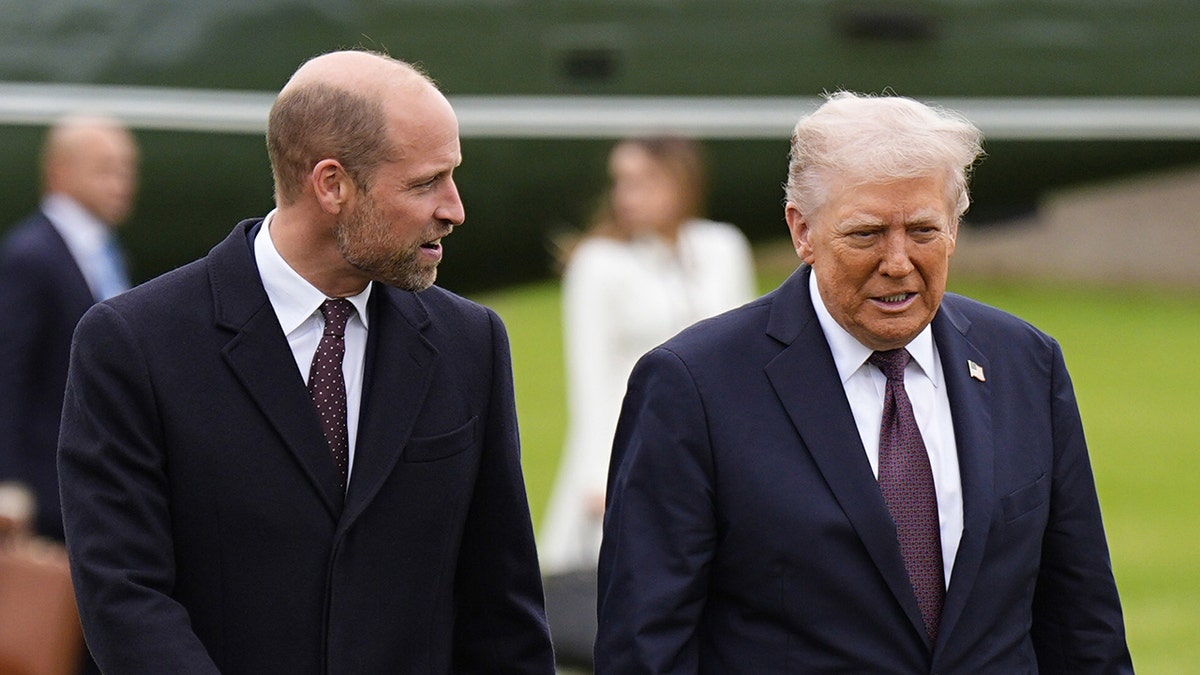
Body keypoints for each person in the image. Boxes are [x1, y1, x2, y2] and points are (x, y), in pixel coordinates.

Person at [595, 92, 1133, 673]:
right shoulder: (693, 386)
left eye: (924, 230)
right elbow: (644, 647)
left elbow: (1083, 625)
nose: (899, 261)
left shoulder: (1025, 363)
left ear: (954, 227)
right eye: (867, 234)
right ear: (803, 231)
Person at [57, 50, 555, 674]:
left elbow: (502, 610)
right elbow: (125, 597)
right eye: (427, 182)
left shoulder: (471, 343)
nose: (454, 209)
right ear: (332, 184)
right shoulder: (133, 345)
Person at [540, 136, 755, 575]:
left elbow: (746, 358)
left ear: (682, 181)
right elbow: (590, 377)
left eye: (642, 180)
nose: (626, 195)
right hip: (633, 447)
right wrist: (599, 474)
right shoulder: (597, 263)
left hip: (712, 447)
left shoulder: (723, 246)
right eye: (621, 181)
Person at [0, 115, 137, 542]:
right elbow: (9, 371)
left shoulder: (108, 254)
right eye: (105, 169)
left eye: (127, 169)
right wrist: (9, 479)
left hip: (94, 479)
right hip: (43, 487)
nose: (122, 182)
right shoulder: (31, 256)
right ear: (60, 171)